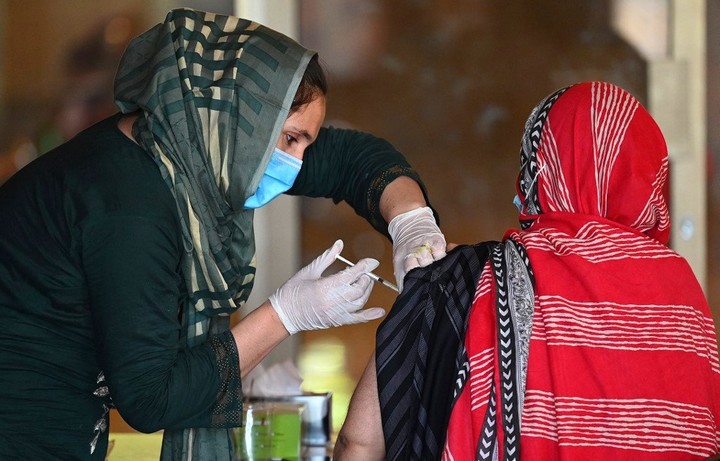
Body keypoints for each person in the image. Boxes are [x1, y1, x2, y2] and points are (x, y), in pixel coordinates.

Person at [0, 8, 447, 461]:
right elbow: (152, 398)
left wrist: (410, 221)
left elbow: (352, 157)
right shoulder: (128, 210)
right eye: (291, 140)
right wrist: (286, 315)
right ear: (235, 117)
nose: (297, 163)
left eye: (305, 143)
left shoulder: (183, 147)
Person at [334, 81, 720, 460]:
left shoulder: (466, 277)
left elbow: (359, 442)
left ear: (544, 171)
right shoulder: (684, 294)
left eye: (531, 164)